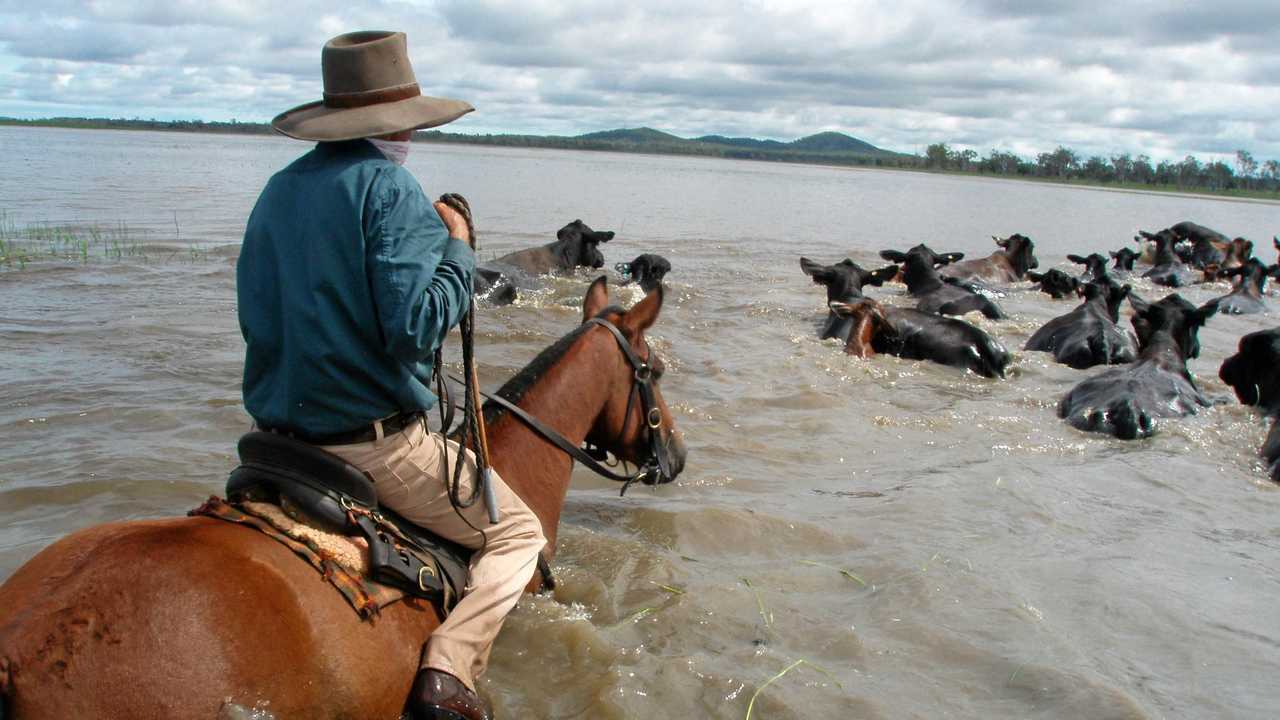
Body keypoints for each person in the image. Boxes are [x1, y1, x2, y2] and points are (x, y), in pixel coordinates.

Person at [237, 30, 545, 720]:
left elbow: (258, 316)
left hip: (274, 440)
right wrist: (458, 249)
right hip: (369, 447)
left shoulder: (278, 191)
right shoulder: (390, 188)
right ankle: (449, 672)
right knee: (520, 534)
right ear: (396, 121)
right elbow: (416, 326)